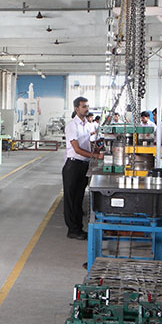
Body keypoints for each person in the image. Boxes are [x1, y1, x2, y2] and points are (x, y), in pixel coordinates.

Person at [63, 96, 104, 240]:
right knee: (71, 199)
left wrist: (96, 150)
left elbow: (87, 145)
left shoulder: (87, 125)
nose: (87, 109)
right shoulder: (72, 126)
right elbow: (77, 149)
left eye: (87, 106)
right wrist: (95, 156)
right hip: (73, 165)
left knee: (78, 198)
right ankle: (72, 230)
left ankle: (78, 228)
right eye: (84, 106)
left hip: (83, 165)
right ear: (76, 109)